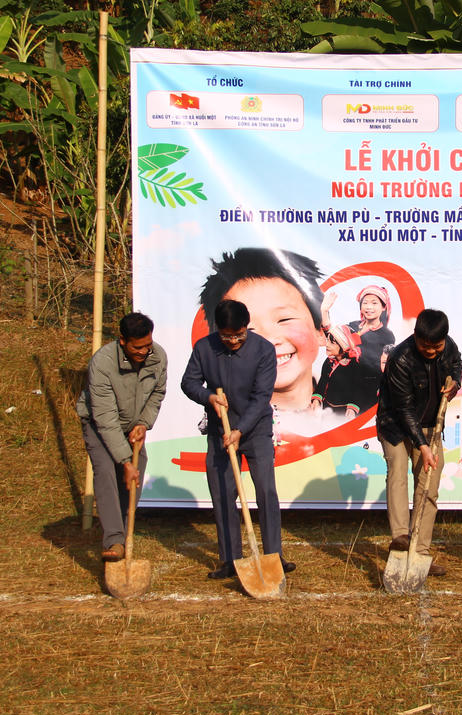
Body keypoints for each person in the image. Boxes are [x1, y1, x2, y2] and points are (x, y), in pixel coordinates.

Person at [181, 299, 295, 579]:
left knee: (266, 490)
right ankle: (231, 559)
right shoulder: (204, 348)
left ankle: (273, 555)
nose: (233, 340)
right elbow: (189, 382)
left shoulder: (264, 350)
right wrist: (207, 396)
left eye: (239, 334)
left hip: (254, 430)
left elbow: (261, 397)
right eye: (226, 335)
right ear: (217, 330)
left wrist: (240, 429)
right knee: (222, 493)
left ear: (247, 327)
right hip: (220, 432)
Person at [375, 309, 462, 576]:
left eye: (437, 346)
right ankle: (401, 541)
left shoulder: (448, 347)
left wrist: (456, 382)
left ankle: (420, 552)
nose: (433, 351)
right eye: (426, 346)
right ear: (416, 337)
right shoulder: (400, 359)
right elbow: (404, 409)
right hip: (396, 426)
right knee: (398, 475)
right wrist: (423, 446)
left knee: (428, 487)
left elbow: (456, 364)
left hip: (430, 425)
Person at [76, 312, 167, 562]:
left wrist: (143, 423)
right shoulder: (102, 363)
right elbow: (105, 418)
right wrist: (125, 462)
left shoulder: (157, 357)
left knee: (134, 479)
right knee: (106, 472)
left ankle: (126, 532)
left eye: (147, 345)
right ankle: (114, 540)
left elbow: (157, 393)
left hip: (132, 424)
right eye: (138, 347)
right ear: (123, 341)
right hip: (98, 423)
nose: (143, 352)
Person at [200, 248, 324, 415]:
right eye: (248, 329)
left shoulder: (346, 403)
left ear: (320, 330)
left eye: (284, 319)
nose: (269, 340)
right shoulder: (225, 420)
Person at [311, 324, 375, 418]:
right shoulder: (329, 361)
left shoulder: (356, 364)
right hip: (327, 407)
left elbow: (359, 389)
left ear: (343, 346)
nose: (327, 345)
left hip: (344, 410)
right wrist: (317, 398)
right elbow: (323, 381)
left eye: (332, 343)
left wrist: (352, 407)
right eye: (327, 340)